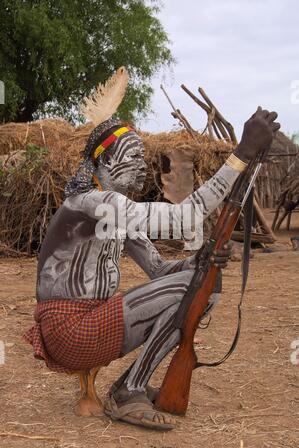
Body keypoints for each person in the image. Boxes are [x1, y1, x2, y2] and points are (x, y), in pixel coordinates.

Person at [24, 107, 280, 430]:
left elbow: (159, 271)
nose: (142, 165)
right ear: (105, 162)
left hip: (90, 323)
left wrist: (200, 260)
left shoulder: (112, 213)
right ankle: (128, 391)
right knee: (192, 288)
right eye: (132, 156)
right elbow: (184, 218)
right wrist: (241, 154)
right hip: (70, 331)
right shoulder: (91, 204)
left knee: (205, 287)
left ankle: (130, 385)